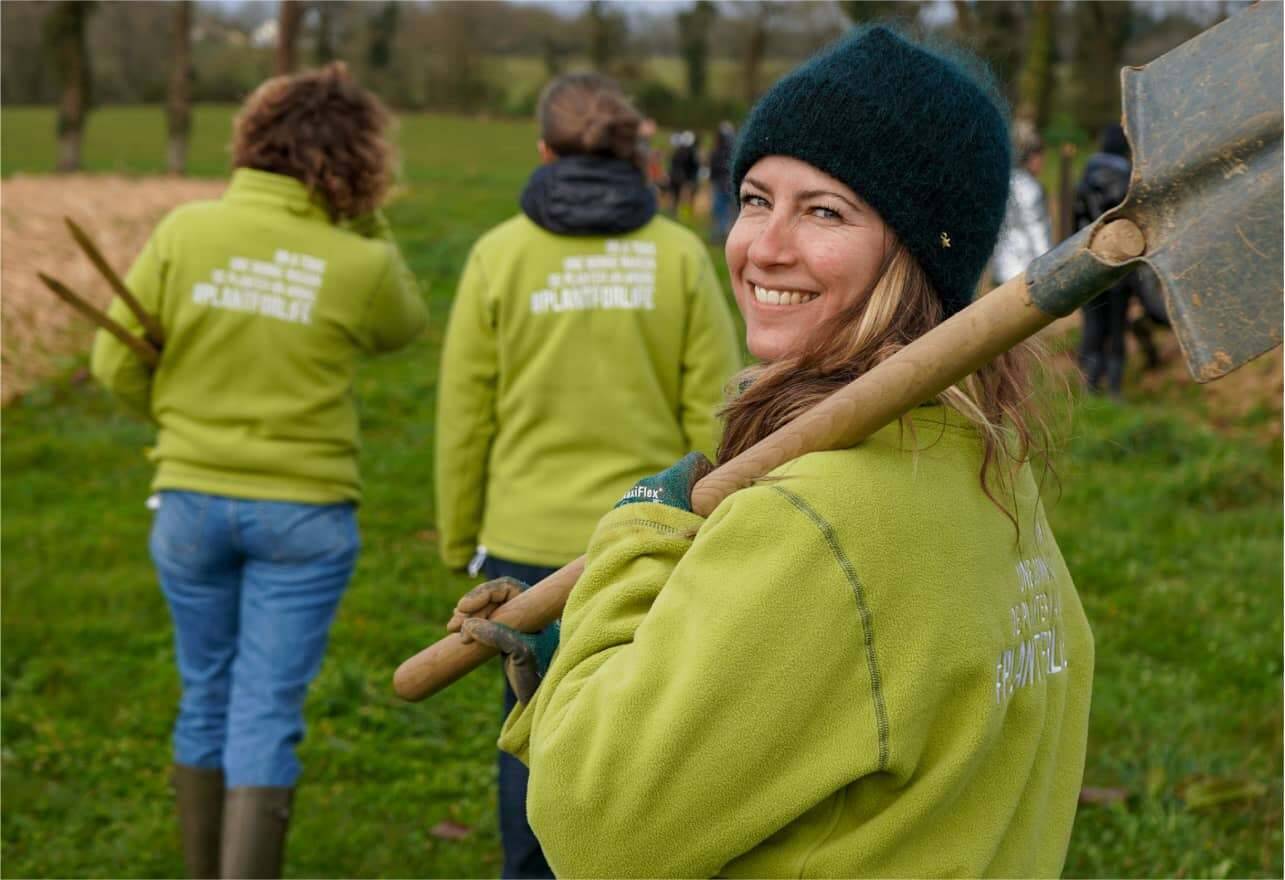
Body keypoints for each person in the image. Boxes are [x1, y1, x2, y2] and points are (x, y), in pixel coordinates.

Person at [454, 27, 1094, 878]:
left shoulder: (814, 517)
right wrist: (583, 660)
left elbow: (592, 827)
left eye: (824, 210)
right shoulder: (986, 465)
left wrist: (637, 531)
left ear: (916, 248)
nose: (763, 246)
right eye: (756, 198)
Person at [90, 63, 427, 879]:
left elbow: (113, 363)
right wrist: (366, 217)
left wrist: (181, 424)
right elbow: (404, 328)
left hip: (190, 503)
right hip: (303, 516)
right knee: (266, 713)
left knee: (204, 693)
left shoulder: (184, 232)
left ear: (249, 139)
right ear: (358, 163)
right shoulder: (362, 266)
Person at [434, 72, 741, 878]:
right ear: (638, 152)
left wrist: (460, 535)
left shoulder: (498, 255)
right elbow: (713, 410)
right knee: (655, 733)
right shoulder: (676, 255)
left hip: (528, 547)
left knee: (532, 731)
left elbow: (466, 412)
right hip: (651, 538)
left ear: (542, 151)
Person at [1073, 123, 1137, 396]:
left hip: (1088, 266)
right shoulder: (1129, 182)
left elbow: (1074, 227)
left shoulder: (1084, 181)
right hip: (1119, 270)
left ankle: (1089, 383)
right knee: (1116, 327)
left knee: (1093, 325)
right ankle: (1114, 387)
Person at [991, 121, 1052, 284]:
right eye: (1039, 156)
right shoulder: (1030, 189)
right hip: (1024, 269)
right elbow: (1036, 229)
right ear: (1029, 158)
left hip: (1002, 263)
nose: (1042, 162)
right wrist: (1048, 266)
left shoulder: (1006, 182)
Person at [707, 120, 738, 244]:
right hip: (726, 183)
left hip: (721, 184)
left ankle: (722, 235)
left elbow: (713, 167)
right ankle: (725, 235)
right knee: (726, 211)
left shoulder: (717, 151)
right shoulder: (734, 150)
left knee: (721, 210)